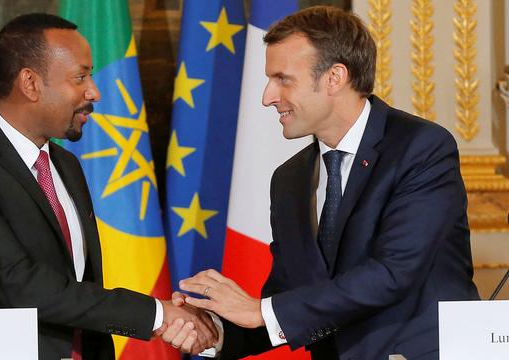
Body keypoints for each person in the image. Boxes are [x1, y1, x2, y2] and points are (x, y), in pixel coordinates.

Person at [167, 6, 480, 360]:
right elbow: (291, 301)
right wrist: (215, 332)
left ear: (334, 77)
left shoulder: (421, 148)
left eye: (283, 79)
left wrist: (261, 311)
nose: (267, 97)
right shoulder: (290, 179)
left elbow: (394, 273)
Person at [0, 13, 216, 360]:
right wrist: (157, 314)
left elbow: (79, 285)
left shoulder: (66, 165)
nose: (94, 92)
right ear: (30, 83)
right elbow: (17, 286)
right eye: (80, 77)